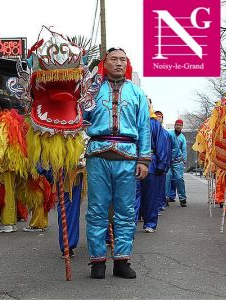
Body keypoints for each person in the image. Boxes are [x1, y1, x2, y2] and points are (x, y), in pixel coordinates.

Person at [84, 47, 151, 279]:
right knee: (96, 210)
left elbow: (144, 127)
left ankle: (122, 261)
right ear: (105, 63)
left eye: (123, 59)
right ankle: (98, 262)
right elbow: (80, 121)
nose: (119, 63)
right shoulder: (91, 92)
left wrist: (144, 160)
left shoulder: (137, 93)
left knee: (126, 211)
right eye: (114, 59)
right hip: (97, 155)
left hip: (129, 157)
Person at [0, 99, 28, 233]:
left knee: (6, 192)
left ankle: (7, 223)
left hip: (6, 162)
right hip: (15, 162)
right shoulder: (13, 119)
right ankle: (10, 222)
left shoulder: (3, 121)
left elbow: (1, 143)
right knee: (10, 191)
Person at [138, 108, 168, 232]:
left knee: (150, 195)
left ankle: (150, 222)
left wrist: (161, 165)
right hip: (131, 160)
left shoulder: (154, 123)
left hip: (150, 162)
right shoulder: (132, 119)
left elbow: (161, 145)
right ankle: (130, 223)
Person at [166, 119, 188, 207]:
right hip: (168, 161)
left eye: (180, 125)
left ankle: (182, 198)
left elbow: (184, 149)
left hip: (178, 162)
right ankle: (165, 197)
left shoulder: (182, 137)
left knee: (179, 179)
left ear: (182, 127)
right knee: (167, 178)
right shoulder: (169, 134)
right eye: (177, 125)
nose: (178, 126)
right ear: (174, 125)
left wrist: (184, 160)